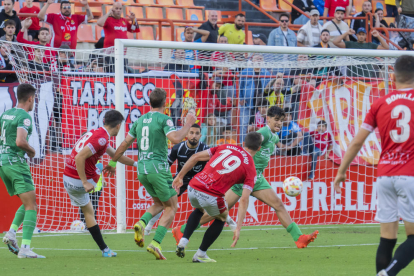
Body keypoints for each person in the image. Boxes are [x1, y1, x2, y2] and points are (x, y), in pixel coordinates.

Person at [334, 55, 414, 276]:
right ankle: (387, 274)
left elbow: (357, 141)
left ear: (392, 76)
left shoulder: (380, 103)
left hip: (385, 176)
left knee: (387, 238)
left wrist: (341, 171)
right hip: (410, 175)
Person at [104, 87, 197, 260]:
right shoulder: (164, 119)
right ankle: (156, 243)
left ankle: (142, 222)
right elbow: (176, 138)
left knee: (160, 203)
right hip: (158, 168)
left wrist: (112, 162)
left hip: (142, 169)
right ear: (164, 103)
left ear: (149, 103)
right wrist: (188, 124)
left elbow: (124, 144)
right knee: (171, 206)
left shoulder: (139, 121)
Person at [173, 132, 262, 262]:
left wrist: (179, 176)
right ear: (259, 148)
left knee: (199, 210)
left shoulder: (226, 146)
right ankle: (200, 254)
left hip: (194, 186)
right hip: (211, 194)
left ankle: (183, 241)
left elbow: (196, 156)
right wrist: (238, 227)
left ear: (243, 143)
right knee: (221, 218)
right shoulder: (251, 169)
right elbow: (244, 199)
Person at [63, 110, 136, 257]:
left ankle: (105, 249)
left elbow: (116, 155)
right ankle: (105, 250)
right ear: (118, 126)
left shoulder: (97, 134)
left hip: (67, 178)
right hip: (80, 181)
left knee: (88, 212)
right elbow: (79, 158)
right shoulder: (101, 139)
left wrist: (137, 164)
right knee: (99, 168)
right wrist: (84, 182)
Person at [0, 84, 44, 258]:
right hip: (16, 162)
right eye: (35, 99)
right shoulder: (25, 116)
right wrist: (32, 151)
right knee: (32, 205)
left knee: (27, 203)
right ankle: (25, 248)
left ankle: (11, 233)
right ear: (30, 98)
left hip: (3, 162)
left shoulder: (5, 114)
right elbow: (20, 141)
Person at [144, 124, 209, 235]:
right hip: (180, 180)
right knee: (164, 202)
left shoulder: (205, 149)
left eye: (197, 133)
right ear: (186, 134)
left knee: (212, 203)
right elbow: (166, 165)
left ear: (200, 135)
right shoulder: (178, 148)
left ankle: (228, 222)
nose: (194, 136)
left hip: (199, 181)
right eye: (191, 133)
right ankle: (148, 226)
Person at [239, 53, 271, 145]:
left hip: (261, 105)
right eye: (257, 59)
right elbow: (239, 86)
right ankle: (243, 144)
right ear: (252, 60)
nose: (259, 61)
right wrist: (240, 98)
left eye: (261, 59)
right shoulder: (245, 72)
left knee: (263, 125)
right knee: (244, 125)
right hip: (247, 103)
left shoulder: (266, 73)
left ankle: (260, 144)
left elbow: (269, 88)